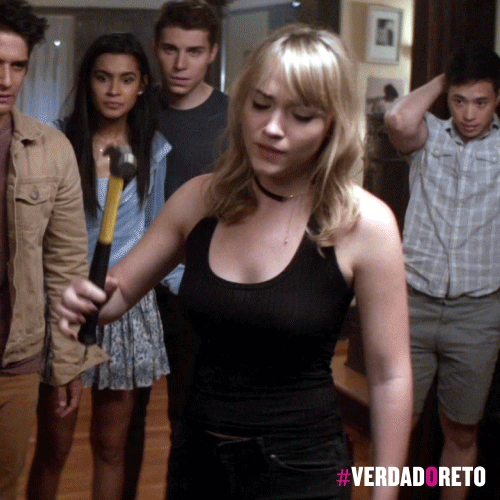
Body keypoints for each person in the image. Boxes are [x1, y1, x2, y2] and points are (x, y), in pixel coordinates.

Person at [58, 24, 412, 500]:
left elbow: (390, 377)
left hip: (303, 470)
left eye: (301, 115)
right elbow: (115, 295)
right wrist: (83, 298)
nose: (272, 128)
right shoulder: (200, 199)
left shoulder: (365, 224)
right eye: (261, 104)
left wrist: (386, 493)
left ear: (333, 124)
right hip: (197, 460)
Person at [27, 33, 170, 500]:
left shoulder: (154, 147)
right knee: (54, 447)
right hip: (65, 303)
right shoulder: (57, 141)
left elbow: (157, 230)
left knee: (111, 447)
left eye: (126, 79)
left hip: (125, 303)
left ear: (142, 86)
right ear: (87, 81)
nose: (113, 90)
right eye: (103, 77)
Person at [0, 1, 108, 499]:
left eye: (18, 66)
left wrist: (67, 361)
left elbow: (67, 267)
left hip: (15, 356)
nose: (5, 80)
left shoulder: (51, 149)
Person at [384, 43, 500, 500]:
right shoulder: (428, 135)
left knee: (461, 432)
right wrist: (445, 76)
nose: (469, 114)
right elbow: (397, 119)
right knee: (396, 424)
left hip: (478, 315)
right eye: (459, 100)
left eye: (481, 102)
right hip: (412, 306)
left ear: (497, 99)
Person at [123, 3, 229, 497]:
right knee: (123, 421)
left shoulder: (234, 118)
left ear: (212, 53)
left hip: (200, 288)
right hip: (134, 282)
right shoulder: (134, 107)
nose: (180, 64)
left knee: (190, 420)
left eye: (194, 51)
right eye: (170, 49)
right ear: (155, 48)